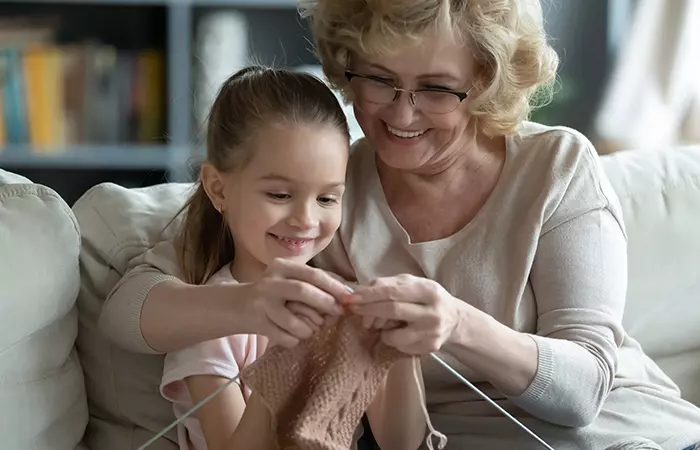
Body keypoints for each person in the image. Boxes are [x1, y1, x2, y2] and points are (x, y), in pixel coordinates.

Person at [100, 0, 700, 449]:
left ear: (486, 83)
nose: (402, 113)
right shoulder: (323, 192)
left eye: (438, 89)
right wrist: (250, 306)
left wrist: (456, 323)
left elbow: (582, 393)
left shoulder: (556, 166)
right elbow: (126, 310)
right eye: (379, 79)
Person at [154, 66, 428, 450]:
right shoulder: (209, 327)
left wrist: (400, 349)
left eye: (327, 198)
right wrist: (283, 367)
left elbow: (402, 443)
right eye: (280, 195)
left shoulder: (345, 310)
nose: (306, 220)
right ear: (218, 188)